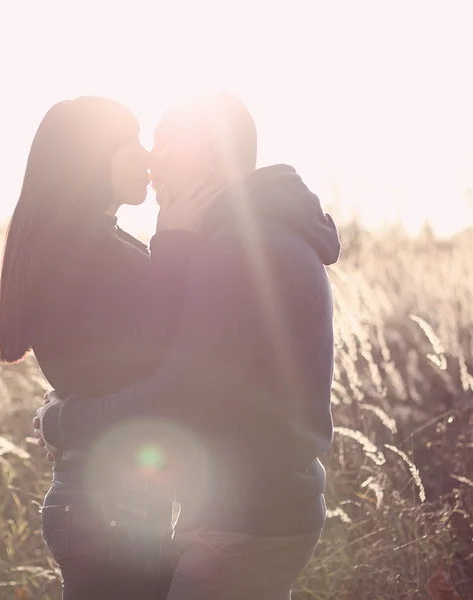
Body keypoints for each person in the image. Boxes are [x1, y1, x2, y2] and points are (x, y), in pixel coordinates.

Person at [36, 92, 341, 600]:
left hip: (247, 521)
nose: (152, 161)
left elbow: (176, 394)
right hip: (255, 510)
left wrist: (65, 421)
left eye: (164, 144)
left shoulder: (240, 249)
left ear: (210, 156)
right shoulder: (249, 237)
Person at [0, 96, 224, 600]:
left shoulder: (97, 242)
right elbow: (161, 354)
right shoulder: (74, 250)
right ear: (92, 157)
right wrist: (175, 241)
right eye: (130, 142)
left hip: (114, 499)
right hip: (110, 506)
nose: (146, 157)